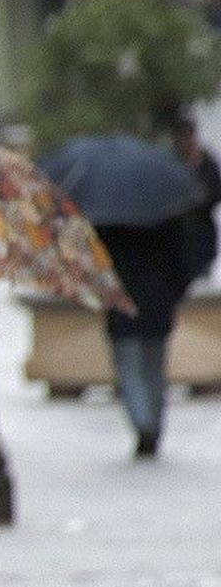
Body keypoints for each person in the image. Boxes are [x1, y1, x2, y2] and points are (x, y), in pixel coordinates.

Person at [96, 215, 193, 457]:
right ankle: (152, 423)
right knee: (154, 367)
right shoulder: (166, 216)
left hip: (123, 304)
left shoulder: (108, 220)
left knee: (130, 368)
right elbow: (183, 257)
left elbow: (98, 261)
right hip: (157, 304)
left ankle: (143, 423)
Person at [174, 114, 221, 283]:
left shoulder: (207, 162)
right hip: (177, 238)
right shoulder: (170, 164)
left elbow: (216, 193)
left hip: (203, 236)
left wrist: (198, 199)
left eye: (188, 135)